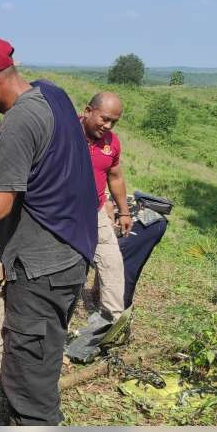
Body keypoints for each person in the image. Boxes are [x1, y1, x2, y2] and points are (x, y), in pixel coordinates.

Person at [0, 36, 97, 425]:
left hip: (41, 270)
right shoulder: (49, 94)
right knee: (41, 359)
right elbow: (30, 139)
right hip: (69, 255)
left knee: (28, 386)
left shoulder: (19, 122)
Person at [80, 92, 130, 323]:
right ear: (88, 110)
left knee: (112, 263)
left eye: (114, 122)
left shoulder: (112, 142)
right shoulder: (64, 131)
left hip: (96, 210)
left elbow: (115, 176)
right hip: (61, 214)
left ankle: (112, 322)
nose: (108, 126)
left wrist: (124, 210)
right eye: (105, 119)